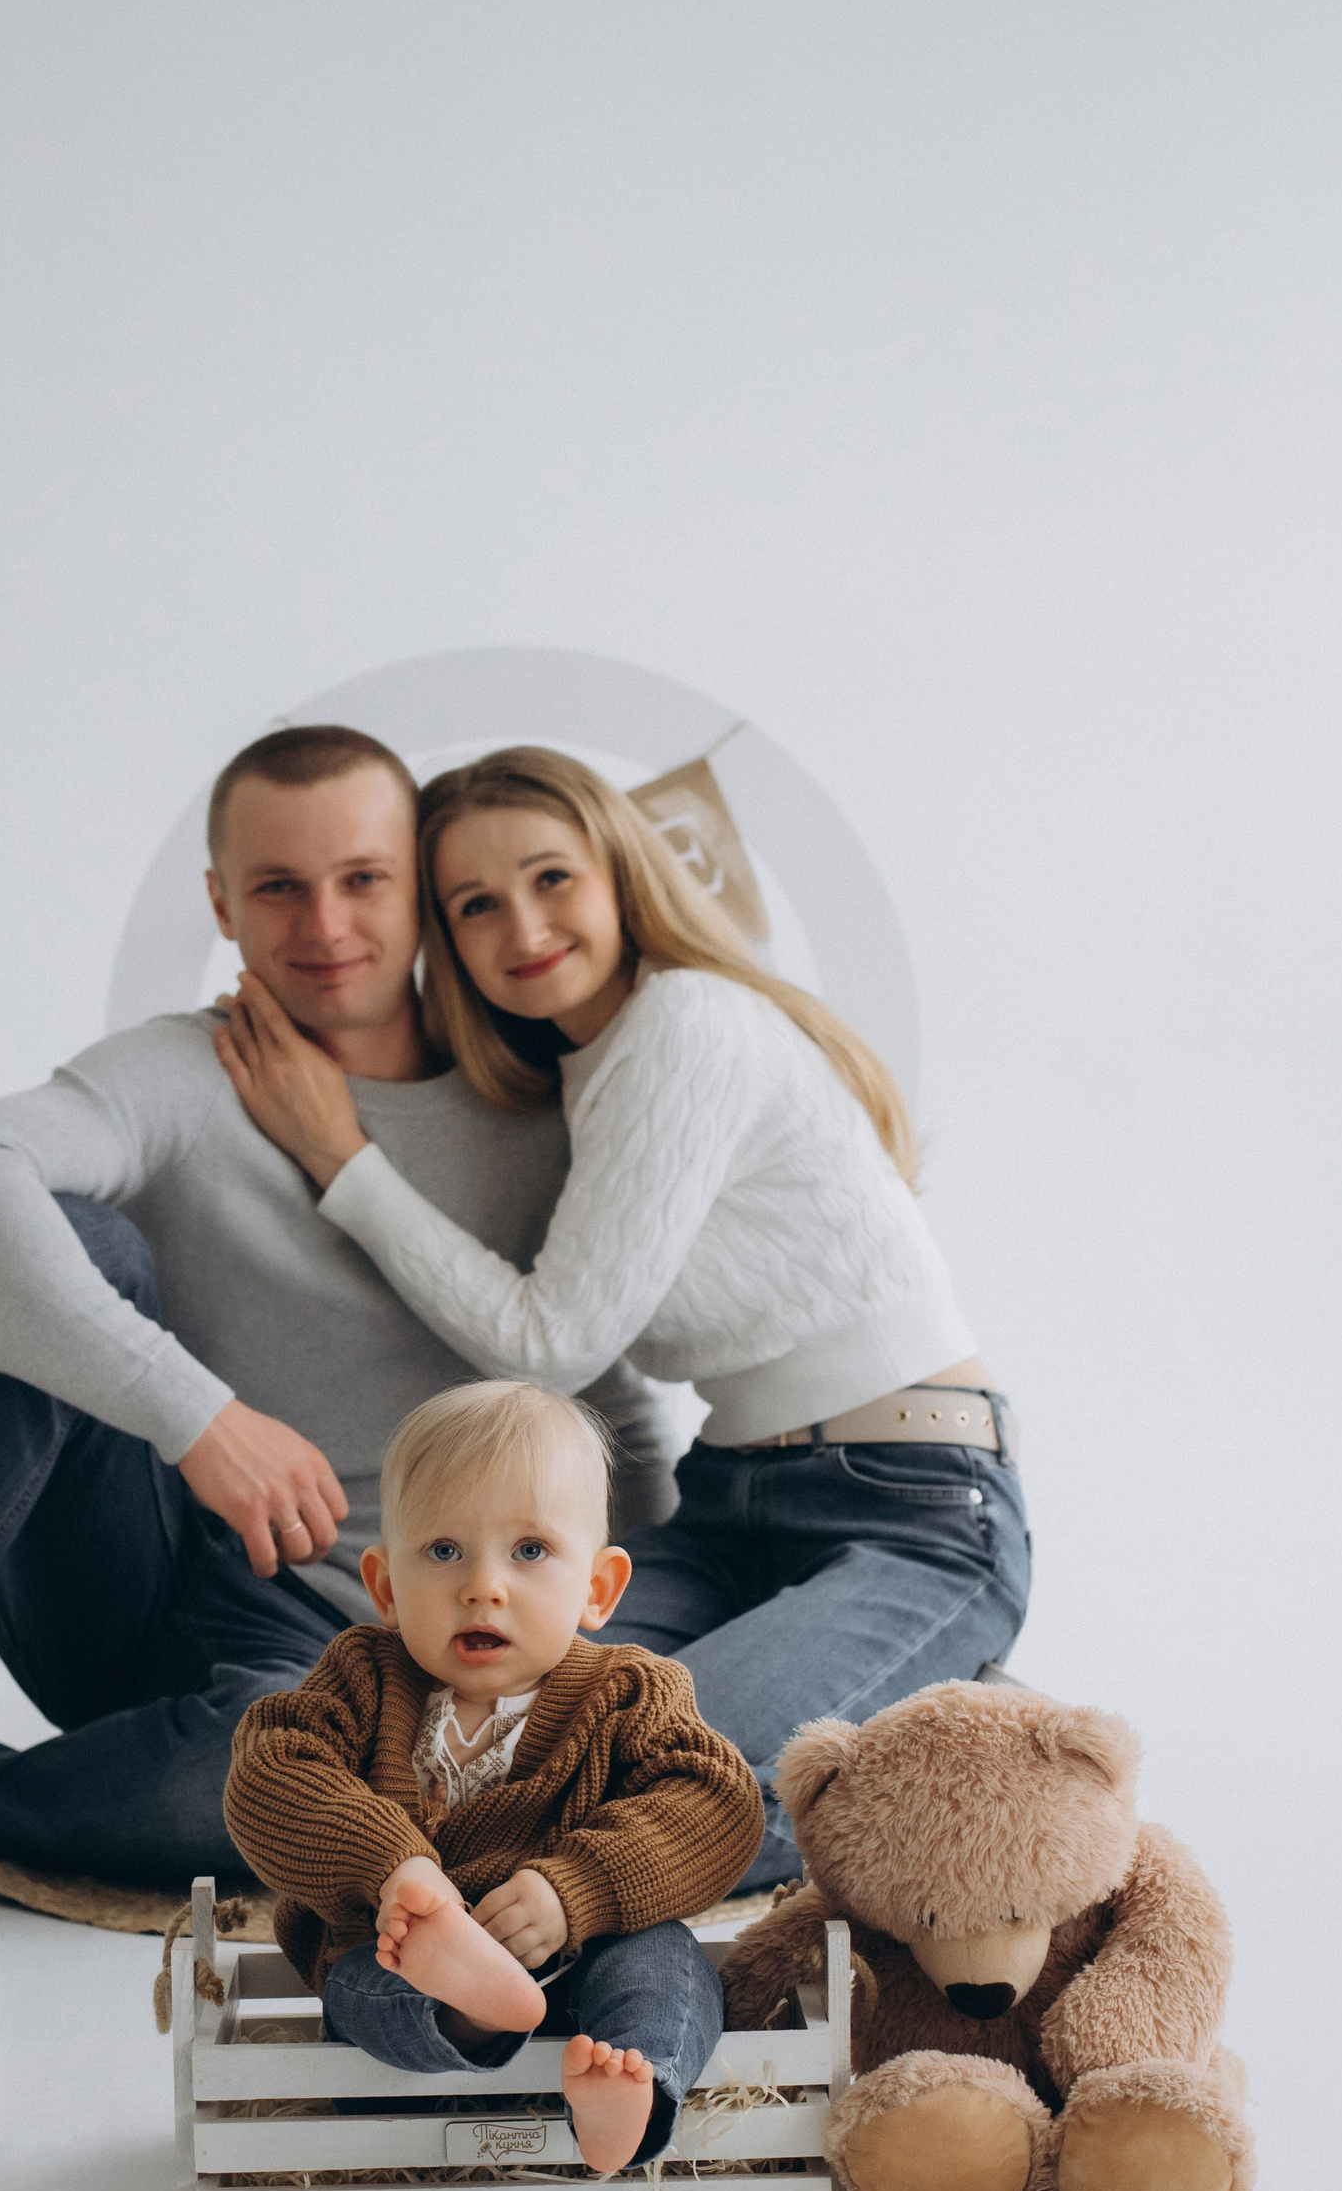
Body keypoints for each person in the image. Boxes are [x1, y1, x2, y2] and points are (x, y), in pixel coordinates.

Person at [0, 728, 678, 1948]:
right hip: (145, 1585)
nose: (324, 924)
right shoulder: (187, 1074)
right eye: (278, 887)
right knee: (53, 1248)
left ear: (424, 891)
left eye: (363, 880)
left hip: (371, 1668)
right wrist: (199, 1418)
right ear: (222, 904)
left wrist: (622, 1632)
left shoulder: (538, 1099)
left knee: (269, 1807)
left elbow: (594, 1380)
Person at [214, 743, 1032, 1878]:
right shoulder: (581, 1073)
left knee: (669, 1788)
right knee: (469, 1735)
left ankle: (969, 1774)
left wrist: (338, 1156)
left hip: (912, 1508)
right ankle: (888, 1716)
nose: (523, 926)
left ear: (620, 877)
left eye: (552, 877)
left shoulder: (686, 1022)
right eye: (475, 904)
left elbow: (552, 1343)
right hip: (733, 1499)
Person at [224, 1381, 764, 2170]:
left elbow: (715, 1802)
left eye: (530, 1551)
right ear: (386, 1589)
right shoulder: (362, 1676)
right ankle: (467, 2013)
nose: (483, 1585)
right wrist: (395, 1871)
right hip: (406, 1960)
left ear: (597, 1589)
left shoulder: (629, 1691)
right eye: (444, 1551)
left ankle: (630, 2088)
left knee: (665, 1964)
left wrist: (575, 1889)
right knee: (360, 1985)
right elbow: (272, 1770)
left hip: (586, 1955)